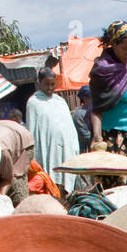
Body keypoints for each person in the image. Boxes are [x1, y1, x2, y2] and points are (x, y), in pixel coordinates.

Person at [88, 21, 127, 160]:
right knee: (117, 179)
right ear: (114, 44)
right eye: (125, 48)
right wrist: (97, 136)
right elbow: (96, 106)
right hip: (113, 135)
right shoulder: (103, 71)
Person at [25, 67, 79, 195]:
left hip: (65, 148)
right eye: (46, 84)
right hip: (47, 147)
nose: (50, 87)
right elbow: (34, 129)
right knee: (51, 177)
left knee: (65, 176)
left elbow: (69, 127)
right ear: (39, 83)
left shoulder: (60, 101)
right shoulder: (33, 102)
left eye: (52, 84)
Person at [72, 85, 93, 153]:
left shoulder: (95, 112)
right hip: (85, 149)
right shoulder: (79, 115)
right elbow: (85, 136)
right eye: (90, 97)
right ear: (84, 98)